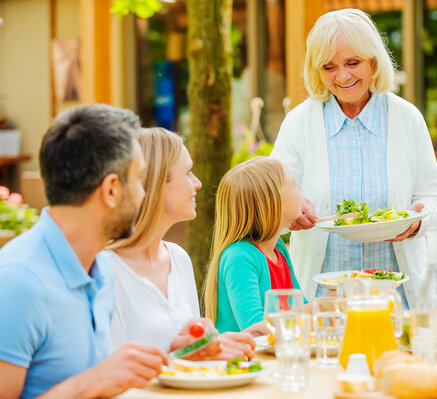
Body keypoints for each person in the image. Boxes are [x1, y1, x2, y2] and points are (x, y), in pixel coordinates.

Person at [0, 105, 221, 398]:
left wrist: (173, 357)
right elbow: (97, 381)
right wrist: (93, 382)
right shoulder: (18, 281)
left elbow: (108, 379)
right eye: (139, 179)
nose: (145, 193)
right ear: (112, 190)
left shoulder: (98, 270)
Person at [270, 8, 437, 304]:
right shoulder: (299, 123)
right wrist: (290, 213)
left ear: (374, 62)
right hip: (321, 300)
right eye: (329, 67)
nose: (343, 76)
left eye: (353, 63)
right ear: (316, 70)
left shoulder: (406, 118)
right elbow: (272, 198)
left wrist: (418, 220)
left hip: (397, 297)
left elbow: (434, 199)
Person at [104, 127, 255, 359]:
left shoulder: (178, 257)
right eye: (188, 172)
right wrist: (181, 355)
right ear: (155, 184)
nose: (198, 183)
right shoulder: (105, 270)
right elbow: (108, 375)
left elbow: (195, 357)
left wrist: (222, 344)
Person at [203, 157, 305, 333]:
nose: (300, 188)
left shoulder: (278, 248)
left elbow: (299, 303)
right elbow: (255, 328)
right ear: (274, 203)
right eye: (294, 184)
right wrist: (322, 306)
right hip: (243, 359)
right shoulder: (239, 257)